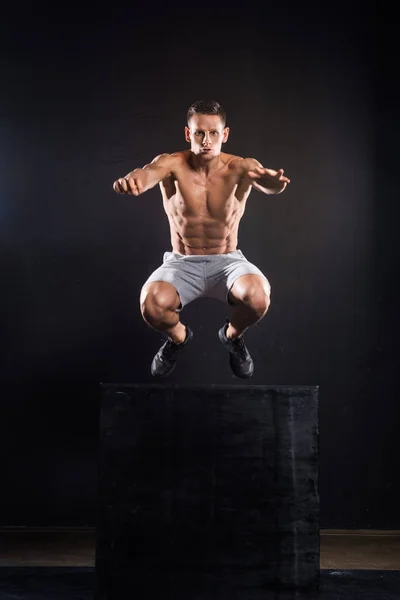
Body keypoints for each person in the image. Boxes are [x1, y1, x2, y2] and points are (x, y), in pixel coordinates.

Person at [113, 100, 290, 379]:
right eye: (199, 133)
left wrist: (274, 184)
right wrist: (133, 180)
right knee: (151, 303)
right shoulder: (172, 164)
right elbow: (147, 174)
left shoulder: (240, 167)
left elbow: (264, 181)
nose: (206, 141)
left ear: (225, 134)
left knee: (259, 296)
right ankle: (178, 338)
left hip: (227, 262)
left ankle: (231, 336)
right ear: (188, 134)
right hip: (182, 262)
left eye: (213, 133)